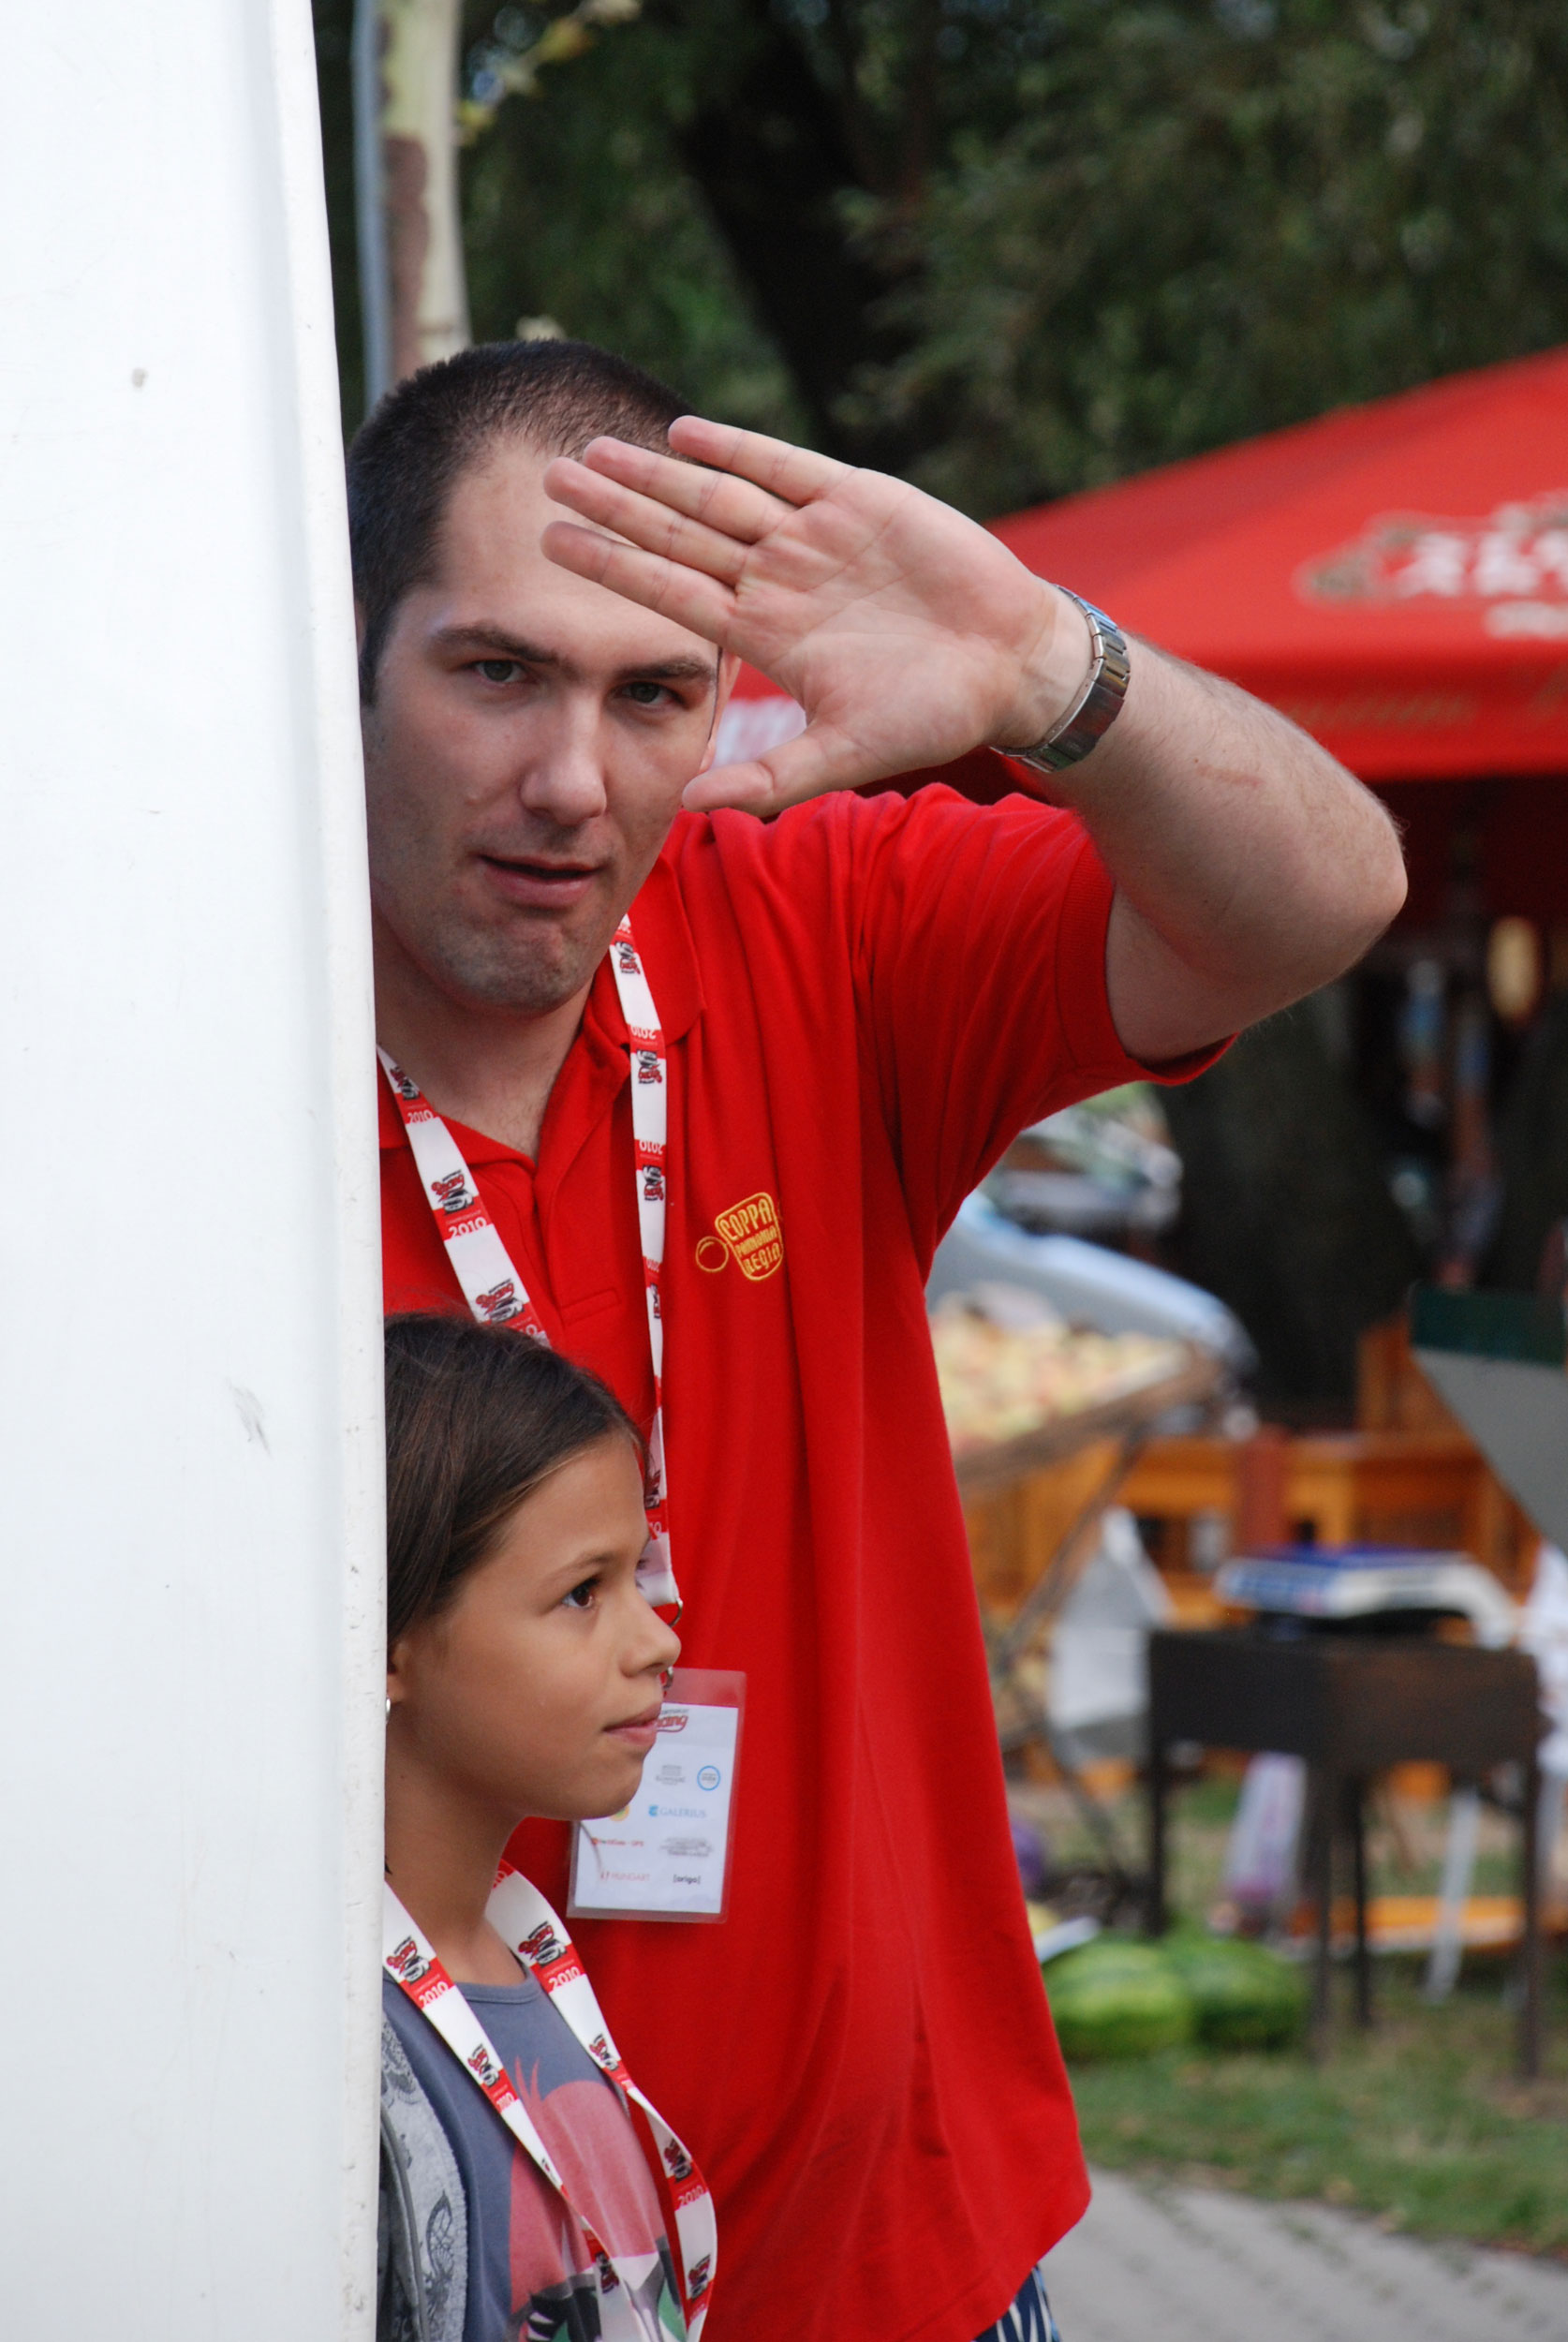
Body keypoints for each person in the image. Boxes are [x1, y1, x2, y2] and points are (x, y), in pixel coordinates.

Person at [354, 337, 1407, 2342]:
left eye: (651, 693)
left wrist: (1038, 665)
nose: (571, 780)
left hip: (902, 2264)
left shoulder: (812, 928)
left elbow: (1324, 895)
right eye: (495, 672)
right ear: (350, 662)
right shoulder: (184, 1084)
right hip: (454, 2276)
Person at [378, 1310, 715, 2342]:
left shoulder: (522, 1966)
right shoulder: (341, 2065)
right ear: (387, 1639)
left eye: (637, 1578)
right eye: (581, 1594)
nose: (658, 1641)